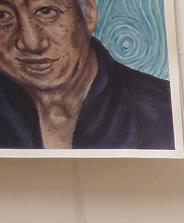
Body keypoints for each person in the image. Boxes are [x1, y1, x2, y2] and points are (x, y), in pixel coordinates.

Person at [0, 0, 174, 149]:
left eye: (46, 11)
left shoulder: (165, 110)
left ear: (89, 14)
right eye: (2, 16)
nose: (31, 43)